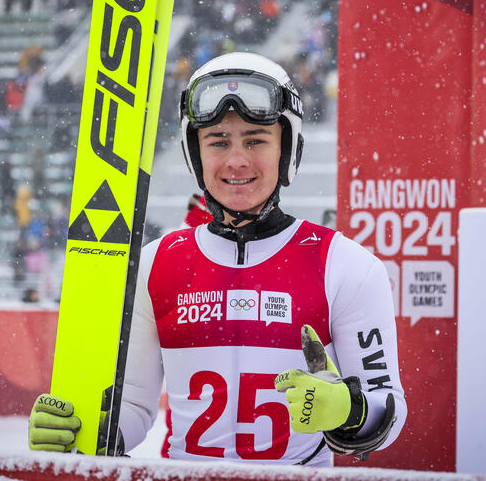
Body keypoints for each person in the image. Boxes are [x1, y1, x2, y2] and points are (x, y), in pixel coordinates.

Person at [28, 52, 407, 465]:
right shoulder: (154, 266)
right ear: (196, 154)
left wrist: (349, 409)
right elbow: (134, 408)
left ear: (287, 149)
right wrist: (83, 432)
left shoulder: (345, 265)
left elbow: (389, 409)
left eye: (255, 140)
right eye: (218, 141)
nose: (236, 160)